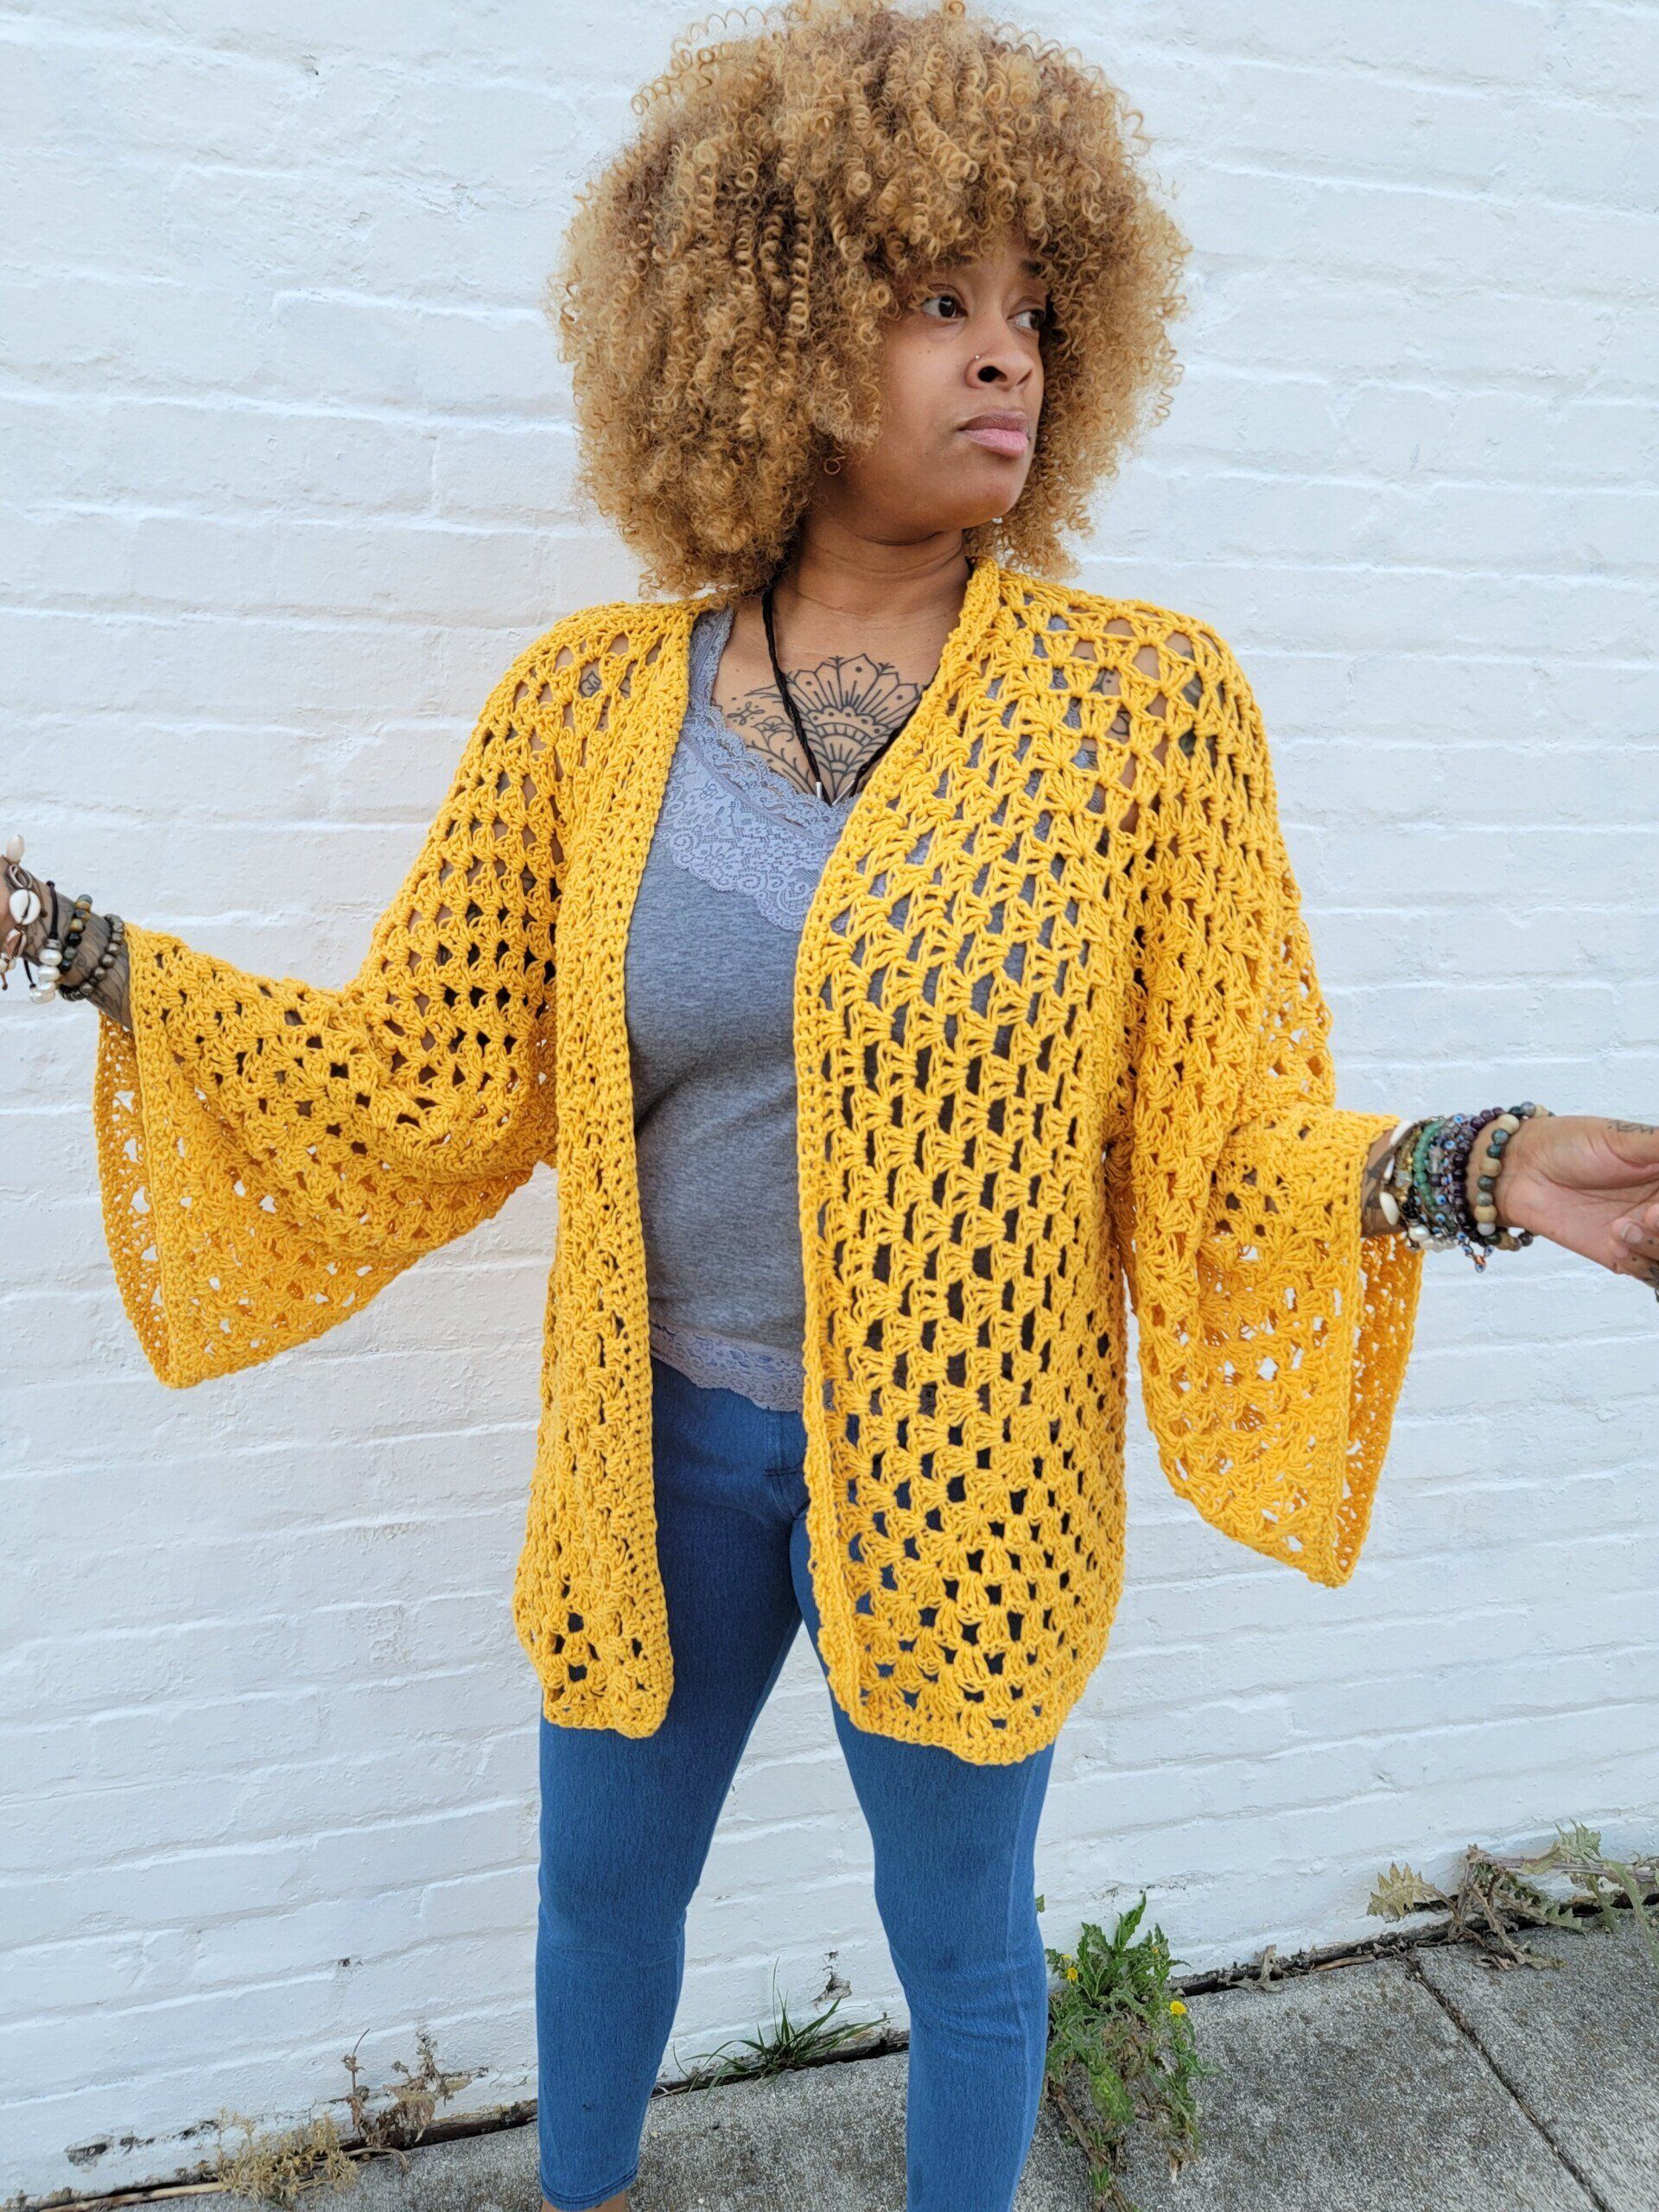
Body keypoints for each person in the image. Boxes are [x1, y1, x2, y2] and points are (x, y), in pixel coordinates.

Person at [6, 4, 1657, 2209]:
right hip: (654, 1449)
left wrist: (1470, 1162)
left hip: (972, 1463)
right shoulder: (587, 709)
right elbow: (416, 1069)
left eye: (1032, 308)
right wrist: (78, 944)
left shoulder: (1143, 709)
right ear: (767, 334)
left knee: (964, 1948)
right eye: (935, 301)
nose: (1007, 357)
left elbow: (1225, 1139)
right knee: (600, 1904)